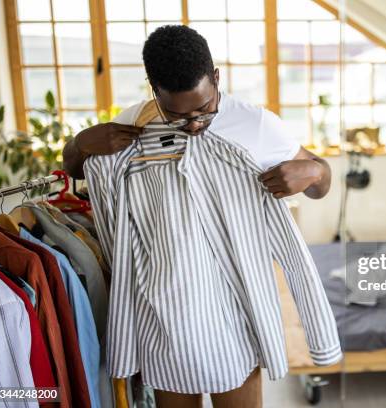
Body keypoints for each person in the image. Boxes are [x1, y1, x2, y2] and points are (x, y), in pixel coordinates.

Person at [62, 25, 332, 407]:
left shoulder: (256, 125)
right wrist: (80, 144)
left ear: (217, 78)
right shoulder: (134, 125)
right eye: (177, 114)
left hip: (236, 308)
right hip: (165, 309)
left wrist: (315, 172)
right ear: (154, 90)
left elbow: (323, 183)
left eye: (204, 109)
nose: (193, 124)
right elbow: (76, 168)